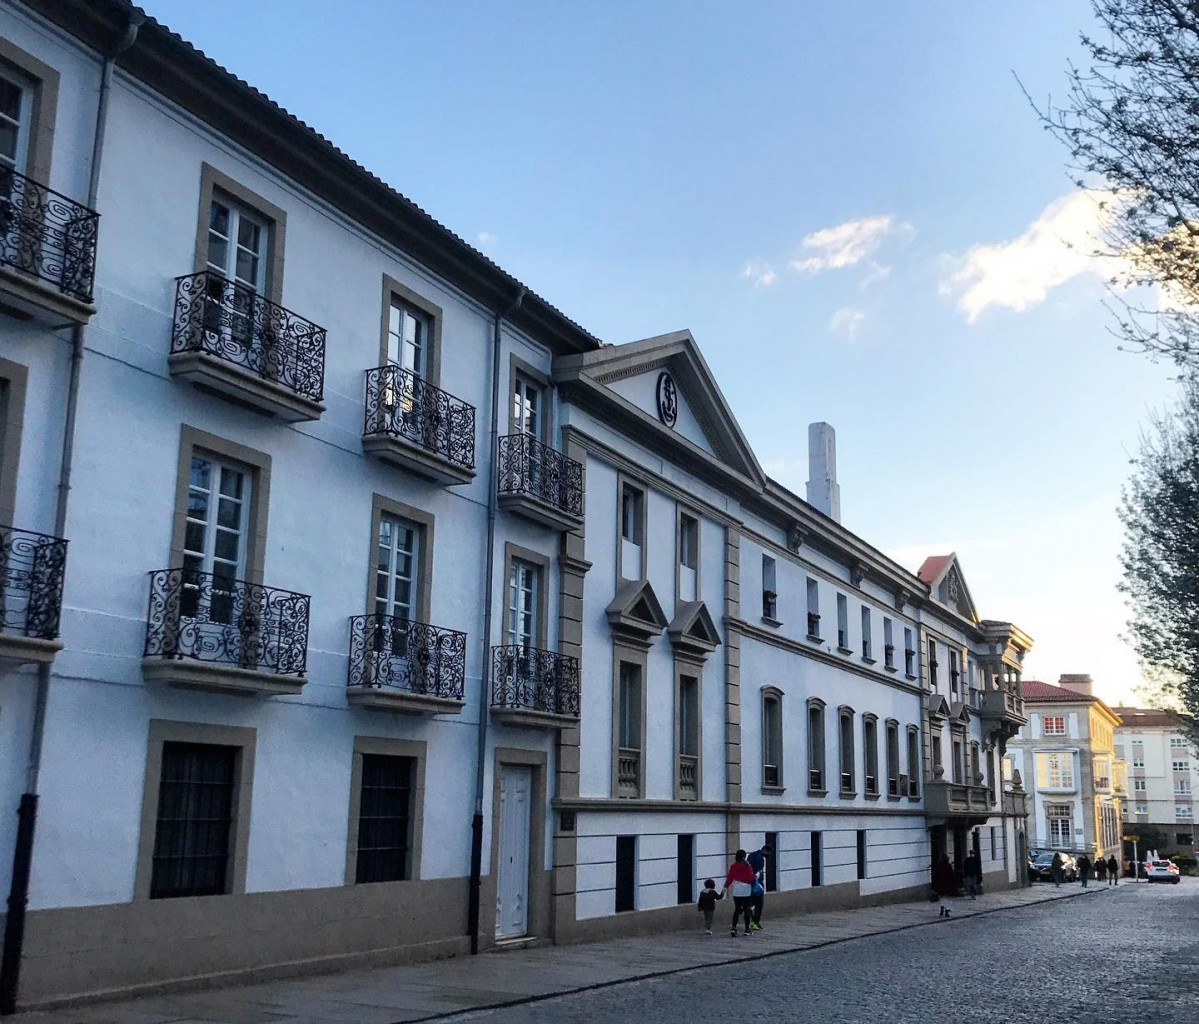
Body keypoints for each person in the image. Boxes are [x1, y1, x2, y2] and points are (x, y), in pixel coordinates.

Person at [723, 850, 756, 937]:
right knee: (747, 909)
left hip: (737, 890)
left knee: (737, 909)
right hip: (746, 890)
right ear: (744, 856)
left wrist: (724, 889)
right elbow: (750, 878)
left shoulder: (733, 866)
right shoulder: (748, 866)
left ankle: (734, 928)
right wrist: (754, 877)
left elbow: (730, 878)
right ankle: (746, 929)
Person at [746, 843, 772, 930]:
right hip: (757, 884)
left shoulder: (751, 855)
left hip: (749, 883)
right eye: (768, 853)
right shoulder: (760, 858)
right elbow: (758, 873)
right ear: (765, 850)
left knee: (752, 901)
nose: (768, 855)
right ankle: (755, 922)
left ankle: (750, 910)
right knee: (759, 904)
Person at [932, 853, 956, 917]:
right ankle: (946, 910)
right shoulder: (948, 866)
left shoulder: (938, 866)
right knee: (946, 898)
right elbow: (952, 875)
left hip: (940, 885)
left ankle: (942, 909)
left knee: (942, 898)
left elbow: (935, 876)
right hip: (947, 885)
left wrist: (934, 886)